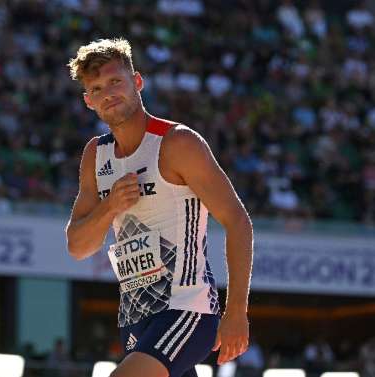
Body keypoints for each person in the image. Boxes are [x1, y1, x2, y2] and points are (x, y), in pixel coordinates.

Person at [65, 38, 253, 377]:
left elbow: (237, 220)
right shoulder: (97, 155)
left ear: (137, 82)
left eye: (115, 81)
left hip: (186, 310)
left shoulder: (178, 143)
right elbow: (78, 246)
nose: (108, 93)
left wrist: (236, 311)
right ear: (88, 101)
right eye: (96, 88)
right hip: (135, 317)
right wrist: (110, 207)